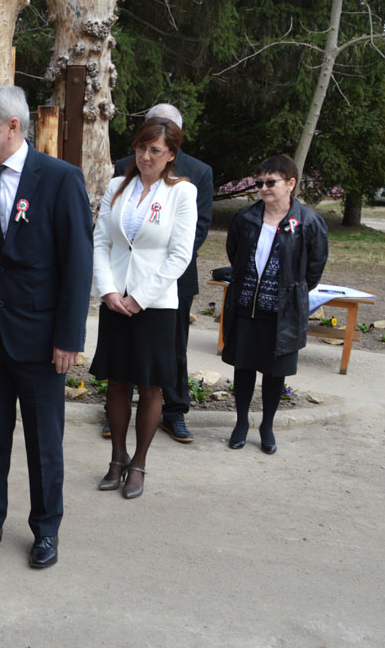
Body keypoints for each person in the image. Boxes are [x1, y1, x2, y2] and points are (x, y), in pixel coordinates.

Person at [0, 84, 93, 570]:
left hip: (42, 339)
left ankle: (46, 530)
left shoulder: (60, 179)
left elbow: (78, 264)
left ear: (12, 126)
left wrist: (68, 337)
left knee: (44, 442)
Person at [90, 117, 198, 499]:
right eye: (141, 147)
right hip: (115, 300)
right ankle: (117, 457)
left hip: (155, 304)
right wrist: (108, 291)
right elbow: (101, 242)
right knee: (117, 382)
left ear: (170, 155)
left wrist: (140, 297)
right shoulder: (117, 186)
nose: (145, 156)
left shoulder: (181, 193)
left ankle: (138, 462)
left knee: (151, 386)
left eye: (155, 150)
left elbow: (180, 255)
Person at [108, 103, 213, 443]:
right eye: (145, 141)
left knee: (170, 353)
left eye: (157, 145)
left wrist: (151, 285)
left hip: (172, 280)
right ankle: (117, 419)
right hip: (122, 283)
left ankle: (175, 412)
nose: (147, 154)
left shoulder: (197, 173)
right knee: (122, 365)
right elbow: (108, 235)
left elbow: (198, 229)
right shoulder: (124, 170)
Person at [221, 154, 328, 454]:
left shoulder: (308, 222)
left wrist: (288, 292)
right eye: (260, 183)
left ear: (291, 184)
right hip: (247, 306)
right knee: (243, 367)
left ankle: (267, 426)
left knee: (274, 372)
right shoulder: (246, 218)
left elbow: (314, 269)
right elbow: (235, 254)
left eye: (271, 183)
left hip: (282, 312)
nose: (263, 188)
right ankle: (241, 422)